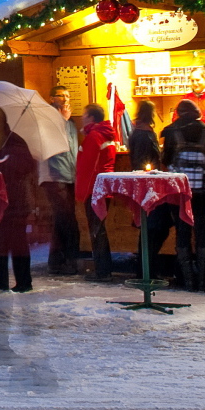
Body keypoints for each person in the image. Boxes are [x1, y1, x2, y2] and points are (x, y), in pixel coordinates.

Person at [161, 98, 205, 290]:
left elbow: (166, 159)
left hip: (180, 194)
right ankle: (202, 282)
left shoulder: (172, 131)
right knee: (203, 234)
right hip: (203, 193)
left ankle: (188, 281)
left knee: (182, 234)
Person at [0, 104, 37, 293]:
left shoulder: (14, 141)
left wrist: (7, 160)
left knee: (17, 241)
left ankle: (24, 282)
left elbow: (27, 165)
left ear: (0, 120)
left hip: (15, 201)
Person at [38, 89, 80, 276]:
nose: (66, 99)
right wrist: (61, 120)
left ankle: (56, 262)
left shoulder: (70, 122)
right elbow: (48, 144)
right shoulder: (46, 118)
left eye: (68, 96)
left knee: (61, 219)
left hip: (69, 174)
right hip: (54, 175)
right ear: (52, 98)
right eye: (62, 95)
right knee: (67, 220)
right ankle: (69, 261)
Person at [75, 103, 118, 282]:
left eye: (84, 115)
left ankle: (102, 271)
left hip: (94, 189)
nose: (82, 118)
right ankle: (104, 269)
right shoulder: (105, 134)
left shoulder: (94, 136)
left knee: (96, 230)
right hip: (104, 187)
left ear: (91, 118)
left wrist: (81, 192)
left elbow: (86, 167)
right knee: (99, 228)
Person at [129, 100, 173, 269]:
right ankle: (146, 268)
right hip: (151, 186)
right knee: (156, 227)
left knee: (150, 228)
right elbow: (147, 160)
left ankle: (146, 267)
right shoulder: (145, 133)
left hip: (145, 185)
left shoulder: (138, 131)